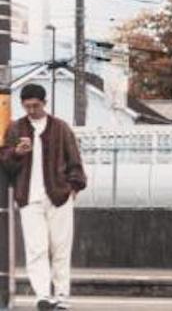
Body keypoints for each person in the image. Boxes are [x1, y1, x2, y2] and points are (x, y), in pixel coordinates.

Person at [0, 83, 87, 310]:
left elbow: (74, 160)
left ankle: (62, 295)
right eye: (27, 106)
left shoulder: (61, 128)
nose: (31, 110)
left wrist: (73, 188)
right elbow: (5, 162)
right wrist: (17, 153)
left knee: (60, 248)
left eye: (35, 106)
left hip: (59, 196)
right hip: (28, 197)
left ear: (44, 103)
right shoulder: (15, 128)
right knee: (36, 248)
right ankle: (42, 295)